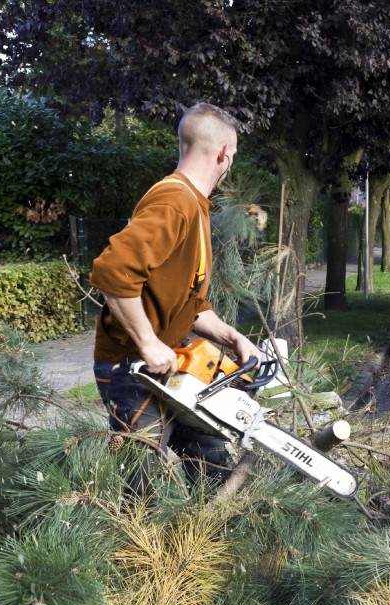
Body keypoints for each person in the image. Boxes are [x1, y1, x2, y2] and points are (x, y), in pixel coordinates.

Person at [90, 102, 262, 494]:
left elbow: (189, 298)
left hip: (169, 361)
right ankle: (134, 553)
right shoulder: (175, 202)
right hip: (130, 365)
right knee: (141, 478)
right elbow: (113, 272)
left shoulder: (194, 203)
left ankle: (206, 541)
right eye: (230, 155)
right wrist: (148, 343)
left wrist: (230, 335)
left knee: (208, 452)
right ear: (224, 154)